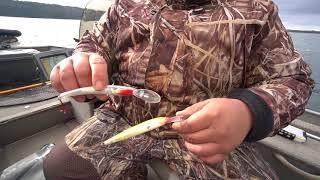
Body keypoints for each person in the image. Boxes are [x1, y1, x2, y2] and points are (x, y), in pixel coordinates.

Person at [43, 0, 314, 179]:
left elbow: (295, 79)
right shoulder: (125, 5)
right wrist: (84, 59)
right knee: (60, 167)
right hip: (122, 119)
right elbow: (96, 43)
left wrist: (249, 111)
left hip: (204, 136)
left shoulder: (257, 9)